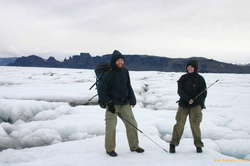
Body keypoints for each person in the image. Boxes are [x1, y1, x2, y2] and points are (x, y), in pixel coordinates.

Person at [99, 50, 144, 157]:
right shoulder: (108, 73)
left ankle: (134, 146)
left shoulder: (125, 71)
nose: (120, 62)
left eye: (122, 60)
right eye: (118, 60)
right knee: (111, 127)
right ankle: (110, 149)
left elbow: (128, 85)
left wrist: (132, 99)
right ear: (114, 61)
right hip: (112, 105)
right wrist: (109, 103)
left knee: (133, 124)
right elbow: (102, 90)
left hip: (124, 103)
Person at [170, 60, 207, 153]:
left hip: (196, 106)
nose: (189, 68)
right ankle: (173, 144)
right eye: (188, 66)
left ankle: (198, 145)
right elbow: (180, 91)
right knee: (179, 124)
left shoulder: (200, 79)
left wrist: (196, 101)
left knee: (195, 125)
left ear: (195, 68)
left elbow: (204, 93)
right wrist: (188, 99)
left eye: (192, 67)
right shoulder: (183, 78)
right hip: (183, 104)